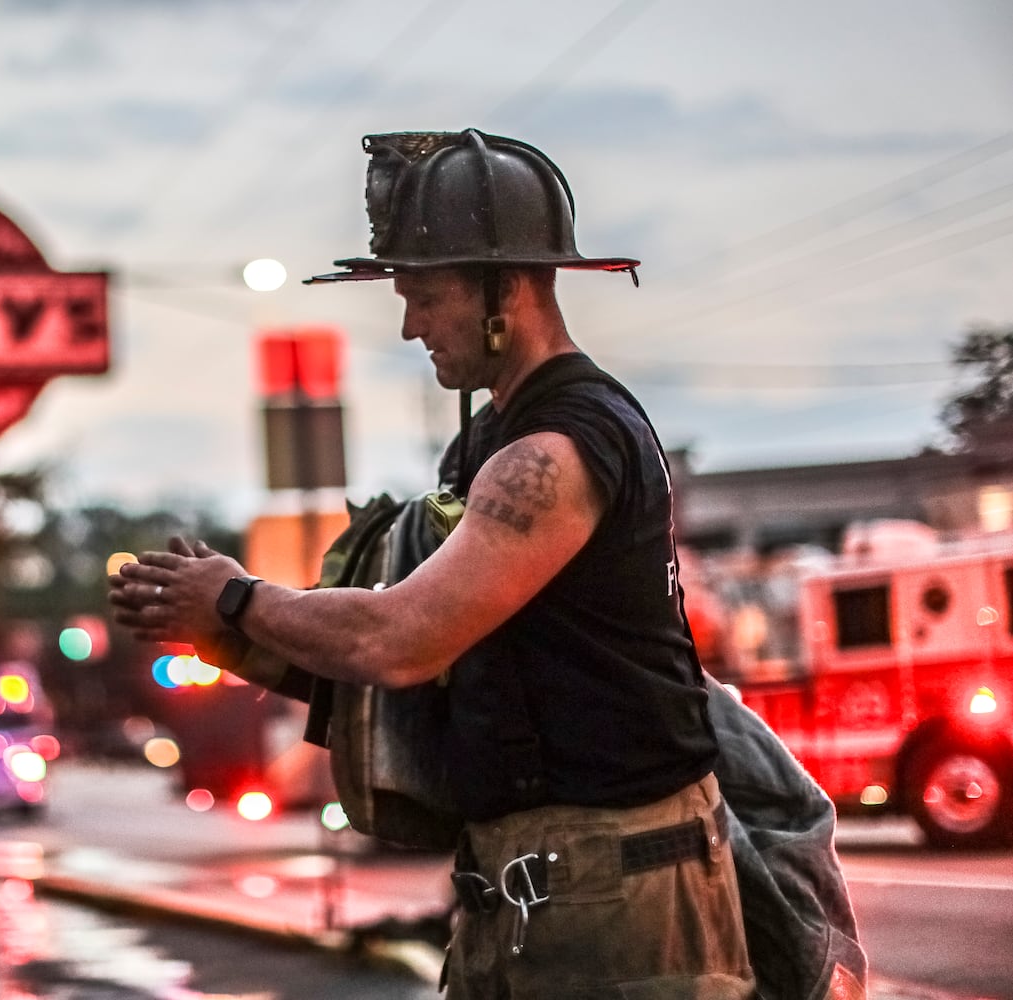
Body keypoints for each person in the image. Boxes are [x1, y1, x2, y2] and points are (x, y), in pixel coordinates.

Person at [109, 130, 756, 999]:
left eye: (425, 296)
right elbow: (429, 681)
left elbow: (402, 639)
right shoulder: (490, 443)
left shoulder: (559, 450)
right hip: (529, 888)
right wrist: (222, 635)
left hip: (621, 894)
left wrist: (234, 598)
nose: (409, 325)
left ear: (508, 287)